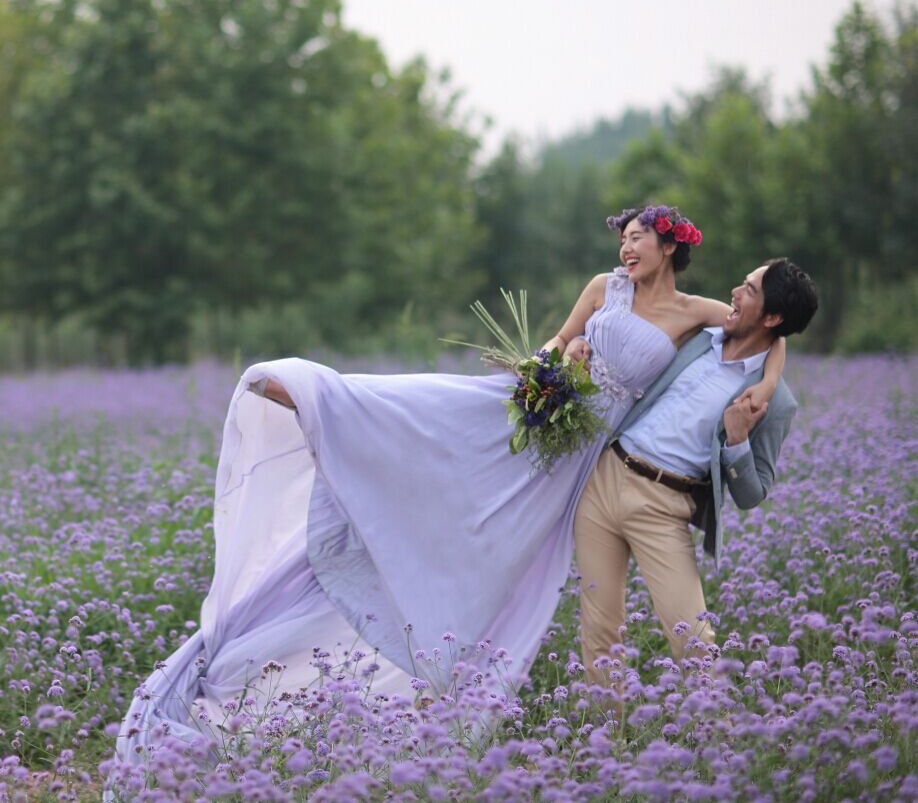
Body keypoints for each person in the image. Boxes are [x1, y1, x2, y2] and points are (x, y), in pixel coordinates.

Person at [113, 205, 784, 764]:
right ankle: (321, 403)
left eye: (638, 236)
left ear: (670, 245)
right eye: (623, 236)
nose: (626, 246)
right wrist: (544, 374)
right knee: (434, 424)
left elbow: (761, 330)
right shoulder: (602, 287)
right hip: (541, 416)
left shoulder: (696, 311)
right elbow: (557, 340)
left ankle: (444, 684)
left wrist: (770, 380)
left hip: (573, 468)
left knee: (492, 554)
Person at [574, 257, 818, 698]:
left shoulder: (775, 403)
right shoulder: (695, 339)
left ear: (773, 316)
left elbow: (752, 493)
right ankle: (602, 748)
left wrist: (739, 439)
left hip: (665, 506)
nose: (735, 291)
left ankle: (716, 751)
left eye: (748, 289)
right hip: (605, 478)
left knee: (693, 642)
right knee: (600, 632)